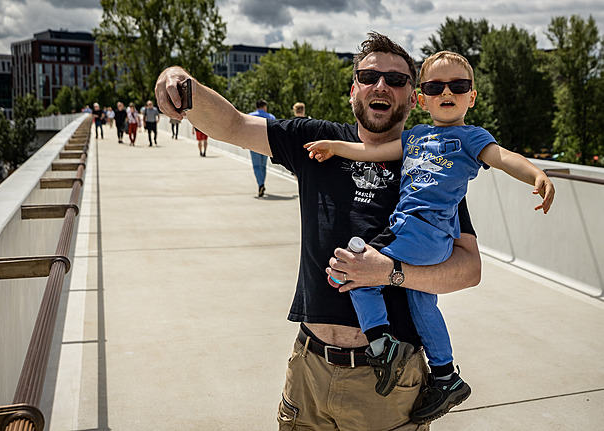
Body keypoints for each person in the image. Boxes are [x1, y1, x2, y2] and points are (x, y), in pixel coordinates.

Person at [155, 32, 482, 430]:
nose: (381, 86)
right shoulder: (317, 143)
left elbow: (468, 268)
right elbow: (233, 124)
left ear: (414, 98)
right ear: (353, 90)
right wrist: (178, 80)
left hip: (387, 387)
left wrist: (389, 274)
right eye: (369, 76)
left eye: (397, 80)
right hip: (308, 370)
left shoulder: (430, 168)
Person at [305, 50, 555, 423]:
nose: (446, 92)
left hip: (421, 229)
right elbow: (375, 152)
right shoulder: (417, 136)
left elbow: (504, 158)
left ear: (472, 97)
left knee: (355, 270)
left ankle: (380, 343)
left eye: (458, 85)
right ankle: (445, 374)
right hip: (424, 239)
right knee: (423, 304)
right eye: (435, 86)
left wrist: (537, 175)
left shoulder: (472, 138)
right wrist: (336, 147)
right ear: (421, 99)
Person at [248, 99, 276, 197]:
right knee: (263, 166)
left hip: (254, 144)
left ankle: (261, 184)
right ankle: (262, 183)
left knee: (256, 166)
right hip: (266, 145)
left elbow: (246, 131)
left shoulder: (250, 116)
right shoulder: (271, 117)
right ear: (264, 107)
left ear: (256, 107)